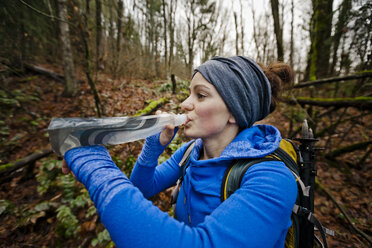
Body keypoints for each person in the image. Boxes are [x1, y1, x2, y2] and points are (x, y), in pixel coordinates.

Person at [62, 56, 297, 248]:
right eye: (189, 93)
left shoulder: (272, 178)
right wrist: (153, 148)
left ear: (235, 112)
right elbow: (142, 188)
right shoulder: (190, 153)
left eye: (201, 95)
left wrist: (96, 167)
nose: (185, 103)